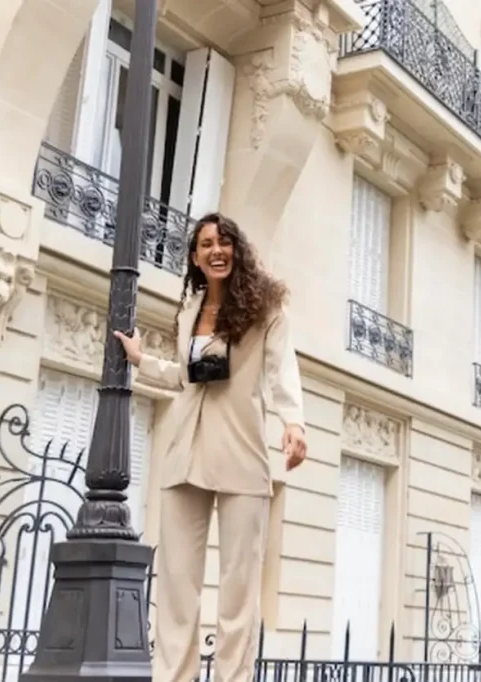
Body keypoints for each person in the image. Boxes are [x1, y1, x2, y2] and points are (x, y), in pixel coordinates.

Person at [113, 212, 307, 682]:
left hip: (241, 455)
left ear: (237, 250)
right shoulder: (190, 310)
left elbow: (282, 371)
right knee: (177, 588)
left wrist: (293, 422)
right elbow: (188, 376)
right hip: (184, 453)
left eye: (223, 242)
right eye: (205, 245)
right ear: (195, 258)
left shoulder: (267, 311)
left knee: (239, 592)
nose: (215, 250)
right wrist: (142, 361)